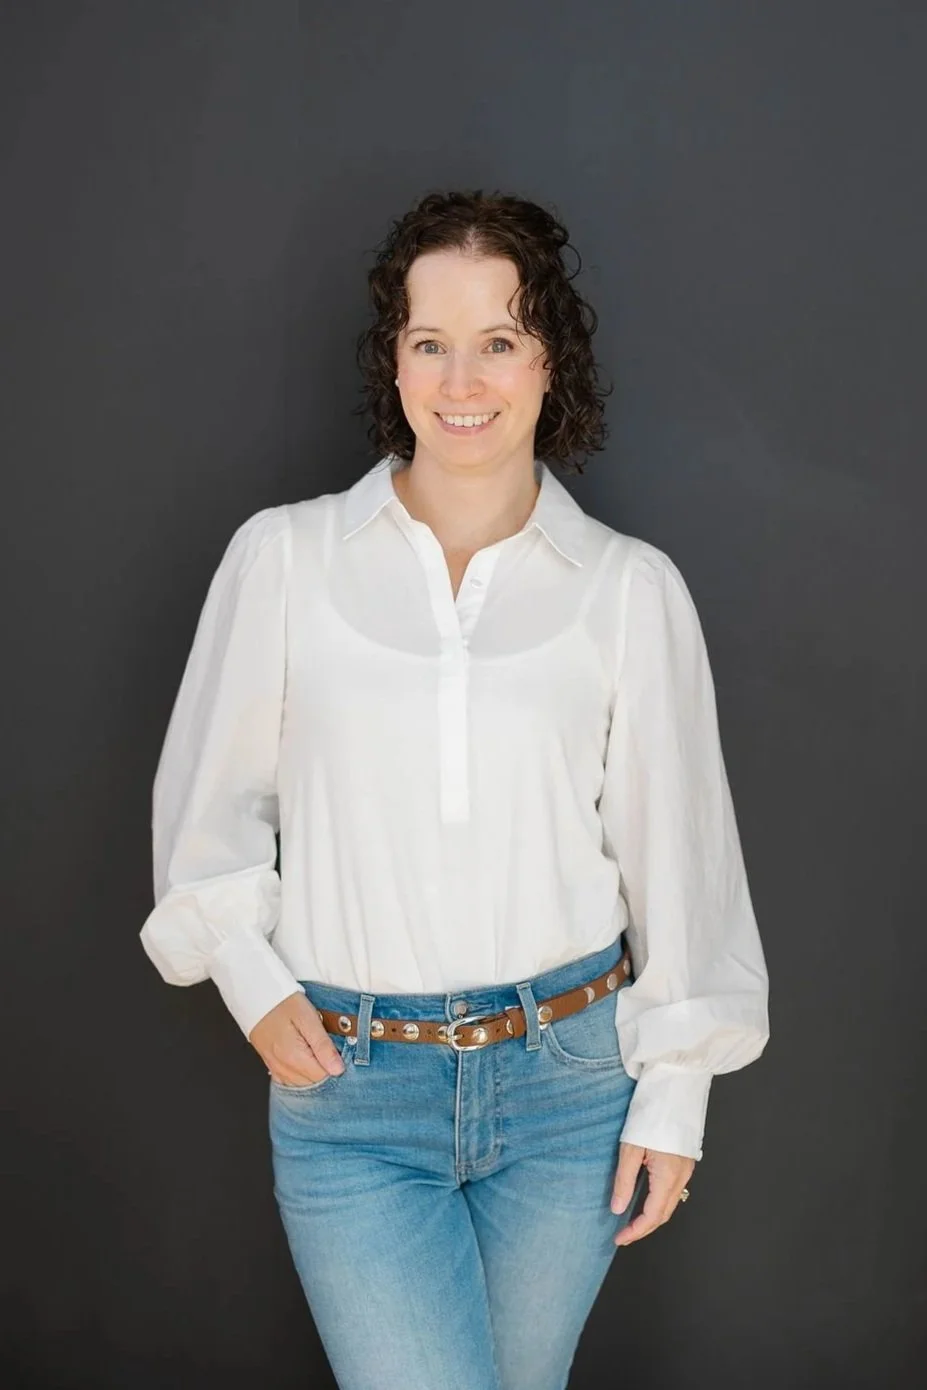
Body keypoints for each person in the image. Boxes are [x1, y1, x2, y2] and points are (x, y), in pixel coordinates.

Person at [140, 188, 769, 1389]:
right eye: (430, 341)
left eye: (499, 340)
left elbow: (681, 860)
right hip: (352, 1090)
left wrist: (673, 1098)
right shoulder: (286, 558)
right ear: (395, 359)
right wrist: (250, 978)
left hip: (571, 1087)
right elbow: (206, 812)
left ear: (549, 362)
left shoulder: (628, 591)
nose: (461, 378)